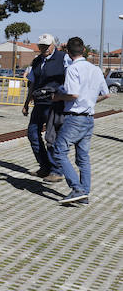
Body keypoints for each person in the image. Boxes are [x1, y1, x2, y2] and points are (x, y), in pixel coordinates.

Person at [50, 37, 110, 204]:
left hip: (75, 118)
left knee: (59, 151)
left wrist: (57, 97)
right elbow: (106, 94)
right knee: (83, 157)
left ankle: (77, 189)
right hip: (89, 117)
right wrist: (90, 101)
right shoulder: (96, 69)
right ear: (84, 50)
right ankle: (84, 193)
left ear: (68, 52)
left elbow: (73, 94)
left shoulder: (72, 69)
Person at [23, 33, 67, 180]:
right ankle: (45, 166)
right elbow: (32, 83)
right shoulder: (36, 61)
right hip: (39, 102)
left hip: (54, 103)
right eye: (41, 46)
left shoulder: (62, 58)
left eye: (47, 46)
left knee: (51, 137)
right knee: (32, 133)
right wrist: (26, 103)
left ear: (53, 45)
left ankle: (56, 170)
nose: (44, 48)